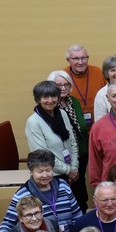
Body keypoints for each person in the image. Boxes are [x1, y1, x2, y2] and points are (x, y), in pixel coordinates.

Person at [0, 150, 83, 232]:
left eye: (48, 170)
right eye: (40, 171)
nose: (45, 175)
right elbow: (8, 222)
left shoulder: (63, 186)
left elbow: (77, 215)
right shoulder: (22, 194)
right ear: (31, 172)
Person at [47, 69, 90, 207]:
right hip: (62, 160)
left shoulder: (74, 102)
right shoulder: (50, 107)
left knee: (81, 193)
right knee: (66, 196)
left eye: (66, 84)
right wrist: (69, 170)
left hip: (80, 154)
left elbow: (80, 126)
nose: (63, 88)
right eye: (59, 85)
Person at [25, 80, 79, 187]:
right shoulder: (34, 122)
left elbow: (72, 141)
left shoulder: (62, 113)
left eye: (53, 96)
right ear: (38, 99)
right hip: (52, 175)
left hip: (72, 171)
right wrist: (68, 171)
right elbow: (44, 156)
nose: (50, 101)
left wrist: (74, 167)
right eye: (45, 97)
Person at [64, 44, 105, 127]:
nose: (80, 62)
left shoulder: (99, 73)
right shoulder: (63, 77)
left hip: (98, 124)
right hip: (73, 127)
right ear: (68, 60)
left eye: (83, 58)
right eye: (76, 58)